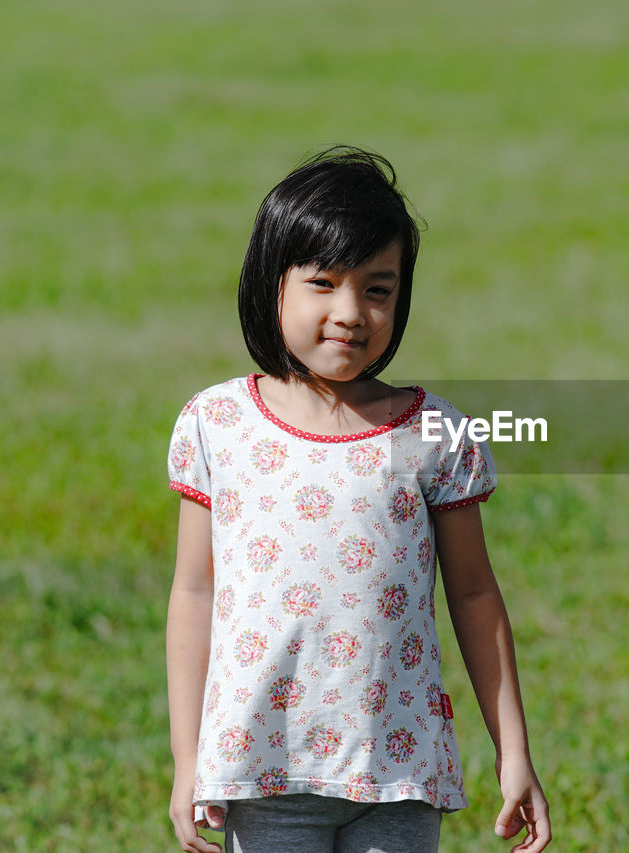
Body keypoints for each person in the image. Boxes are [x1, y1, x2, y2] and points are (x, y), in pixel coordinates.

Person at [165, 147, 551, 853]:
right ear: (269, 284)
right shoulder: (217, 425)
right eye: (323, 282)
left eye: (378, 289)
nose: (350, 313)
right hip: (265, 772)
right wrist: (189, 760)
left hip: (397, 774)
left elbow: (473, 595)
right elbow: (194, 592)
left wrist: (514, 750)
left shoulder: (434, 432)